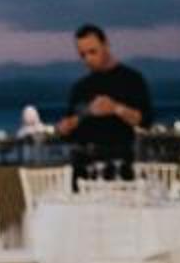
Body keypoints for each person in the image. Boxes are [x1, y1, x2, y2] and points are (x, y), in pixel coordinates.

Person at [56, 23, 153, 177]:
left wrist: (116, 108)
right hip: (83, 166)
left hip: (117, 167)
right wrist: (63, 128)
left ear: (106, 45)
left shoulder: (131, 80)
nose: (88, 59)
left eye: (92, 52)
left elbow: (146, 121)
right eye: (82, 55)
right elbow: (69, 130)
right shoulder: (80, 87)